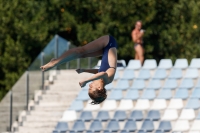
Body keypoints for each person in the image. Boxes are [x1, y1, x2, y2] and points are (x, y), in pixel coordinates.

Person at [40, 35, 117, 104]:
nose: (90, 85)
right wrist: (86, 80)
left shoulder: (102, 79)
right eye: (91, 87)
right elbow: (102, 73)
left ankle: (56, 61)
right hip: (108, 43)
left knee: (81, 55)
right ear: (99, 88)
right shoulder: (108, 79)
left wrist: (84, 70)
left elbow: (99, 72)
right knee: (80, 51)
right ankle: (55, 62)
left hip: (105, 50)